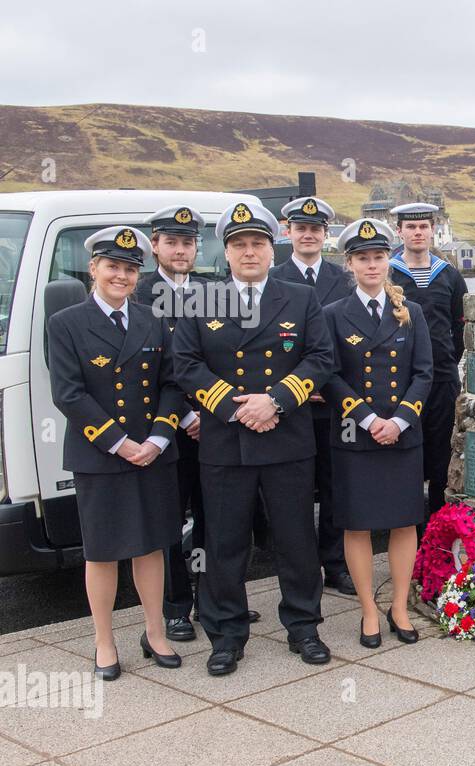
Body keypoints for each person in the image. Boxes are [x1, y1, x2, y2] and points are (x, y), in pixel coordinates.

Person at [172, 201, 337, 676]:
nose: (249, 252)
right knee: (224, 542)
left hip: (287, 438)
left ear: (272, 248)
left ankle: (304, 626)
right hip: (226, 440)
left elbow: (321, 357)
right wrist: (236, 407)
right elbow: (185, 364)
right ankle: (226, 634)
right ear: (226, 253)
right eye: (239, 245)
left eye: (257, 244)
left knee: (295, 538)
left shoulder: (300, 298)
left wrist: (277, 400)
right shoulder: (202, 300)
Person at [48, 226, 188, 677]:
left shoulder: (152, 320)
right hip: (102, 456)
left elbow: (171, 384)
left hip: (152, 454)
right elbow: (68, 394)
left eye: (130, 269)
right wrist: (120, 443)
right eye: (113, 267)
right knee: (103, 552)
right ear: (94, 269)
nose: (122, 276)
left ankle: (154, 632)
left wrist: (158, 439)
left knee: (152, 547)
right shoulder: (66, 323)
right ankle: (104, 642)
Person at [322, 219, 433, 646]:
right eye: (363, 258)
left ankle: (399, 606)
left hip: (402, 435)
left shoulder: (411, 311)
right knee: (359, 525)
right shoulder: (333, 315)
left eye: (379, 257)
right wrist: (369, 420)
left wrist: (399, 420)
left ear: (390, 260)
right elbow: (329, 375)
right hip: (356, 435)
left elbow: (424, 372)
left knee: (405, 523)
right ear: (349, 263)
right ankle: (369, 608)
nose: (372, 265)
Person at [270, 196, 355, 596]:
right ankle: (304, 570)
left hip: (335, 404)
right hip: (288, 406)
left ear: (325, 235)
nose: (308, 234)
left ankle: (336, 564)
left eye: (315, 229)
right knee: (297, 492)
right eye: (300, 228)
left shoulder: (344, 278)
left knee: (336, 486)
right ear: (287, 232)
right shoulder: (272, 277)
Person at [133, 205, 209, 641]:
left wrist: (208, 411)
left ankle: (213, 600)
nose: (180, 250)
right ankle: (176, 607)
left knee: (213, 518)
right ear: (155, 246)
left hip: (212, 426)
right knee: (168, 521)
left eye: (188, 242)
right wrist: (184, 414)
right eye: (172, 242)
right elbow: (151, 370)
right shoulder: (138, 294)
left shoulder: (213, 292)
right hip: (164, 429)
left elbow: (221, 361)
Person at [387, 203, 464, 519]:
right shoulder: (387, 272)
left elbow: (460, 327)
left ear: (433, 229)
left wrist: (445, 362)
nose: (417, 232)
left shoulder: (449, 275)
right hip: (399, 381)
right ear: (399, 231)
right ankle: (405, 530)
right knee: (404, 456)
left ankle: (437, 533)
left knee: (441, 458)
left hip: (442, 379)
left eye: (423, 227)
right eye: (411, 227)